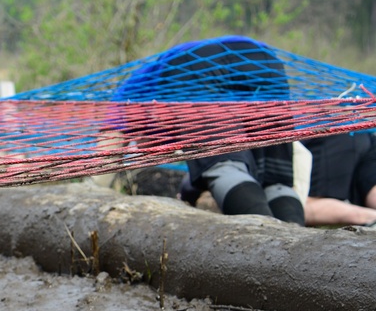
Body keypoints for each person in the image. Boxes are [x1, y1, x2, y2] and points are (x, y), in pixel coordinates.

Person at [115, 36, 305, 225]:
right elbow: (200, 171)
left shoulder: (126, 96)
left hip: (199, 65)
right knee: (274, 179)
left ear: (151, 110)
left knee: (224, 166)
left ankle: (268, 239)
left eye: (135, 139)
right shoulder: (170, 111)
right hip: (266, 63)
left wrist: (99, 190)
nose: (138, 148)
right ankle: (296, 241)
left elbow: (107, 148)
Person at [301, 132, 376, 226]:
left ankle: (368, 218)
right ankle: (369, 218)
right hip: (362, 131)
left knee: (303, 205)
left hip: (328, 133)